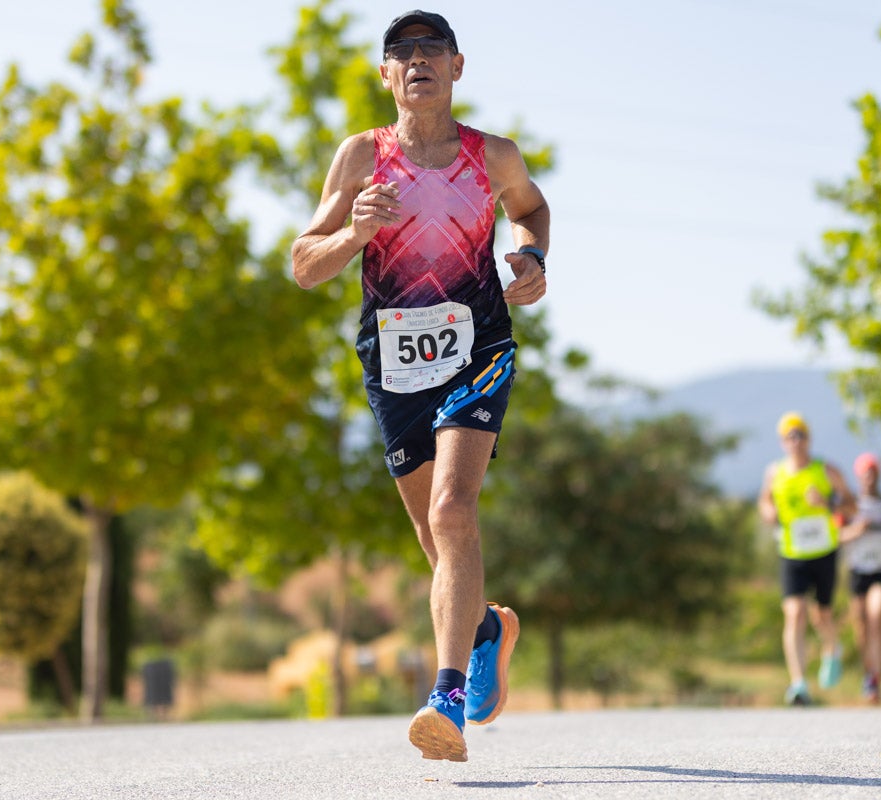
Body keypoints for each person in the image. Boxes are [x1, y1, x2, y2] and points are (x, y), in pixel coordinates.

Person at [291, 10, 549, 762]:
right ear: (386, 75)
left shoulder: (492, 155)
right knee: (435, 540)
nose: (417, 61)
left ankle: (446, 700)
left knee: (451, 510)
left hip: (477, 346)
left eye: (431, 49)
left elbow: (531, 208)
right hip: (395, 362)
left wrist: (532, 257)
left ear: (457, 67)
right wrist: (354, 233)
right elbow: (304, 265)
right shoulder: (359, 157)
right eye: (400, 53)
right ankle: (487, 630)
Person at [758, 412, 856, 706]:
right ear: (782, 442)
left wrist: (826, 502)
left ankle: (833, 648)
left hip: (824, 551)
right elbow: (765, 501)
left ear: (809, 439)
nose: (796, 441)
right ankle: (798, 683)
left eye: (800, 435)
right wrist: (769, 513)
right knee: (795, 612)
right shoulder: (774, 472)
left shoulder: (826, 470)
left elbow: (851, 506)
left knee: (821, 615)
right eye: (790, 436)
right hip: (792, 552)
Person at [839, 452, 881, 704]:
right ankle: (868, 674)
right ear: (859, 476)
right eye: (865, 473)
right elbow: (836, 534)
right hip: (858, 570)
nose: (870, 478)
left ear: (879, 475)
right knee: (862, 627)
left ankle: (877, 678)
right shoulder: (849, 505)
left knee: (876, 617)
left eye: (873, 473)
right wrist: (857, 530)